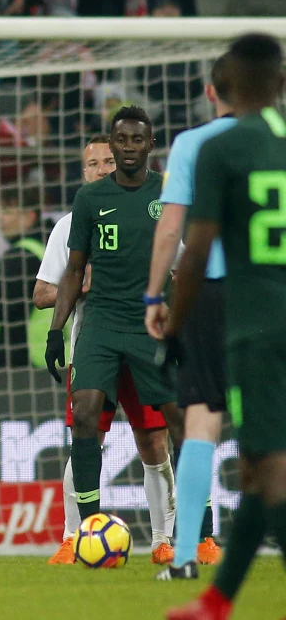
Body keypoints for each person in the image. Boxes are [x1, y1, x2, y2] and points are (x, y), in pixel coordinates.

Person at [164, 33, 286, 620]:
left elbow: (193, 246)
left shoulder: (214, 147)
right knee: (261, 463)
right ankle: (217, 599)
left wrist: (171, 321)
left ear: (222, 88)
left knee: (264, 464)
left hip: (251, 320)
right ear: (281, 84)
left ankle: (196, 568)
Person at [44, 106, 184, 564]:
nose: (128, 148)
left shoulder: (169, 193)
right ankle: (88, 530)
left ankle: (192, 536)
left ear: (150, 144)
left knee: (176, 423)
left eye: (136, 140)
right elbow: (73, 270)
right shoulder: (89, 199)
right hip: (101, 321)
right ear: (112, 140)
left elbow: (188, 263)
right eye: (121, 139)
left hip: (151, 321)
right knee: (85, 415)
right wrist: (56, 331)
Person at [146, 56, 235, 580]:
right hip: (272, 292)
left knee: (201, 419)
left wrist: (153, 297)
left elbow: (170, 229)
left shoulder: (192, 144)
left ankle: (184, 557)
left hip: (210, 292)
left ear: (210, 91)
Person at [0, 186, 50, 368]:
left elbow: (0, 308)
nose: (0, 218)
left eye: (7, 212)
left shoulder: (20, 256)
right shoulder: (41, 250)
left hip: (11, 355)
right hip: (37, 350)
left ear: (30, 216)